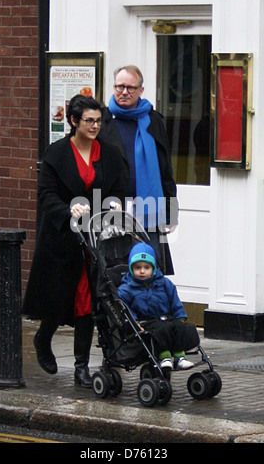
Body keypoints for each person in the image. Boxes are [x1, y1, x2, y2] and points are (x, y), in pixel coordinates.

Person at [22, 95, 127, 387]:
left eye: (98, 121)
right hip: (61, 239)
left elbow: (119, 188)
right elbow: (46, 195)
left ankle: (82, 366)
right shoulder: (56, 154)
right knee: (57, 300)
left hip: (95, 239)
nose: (95, 126)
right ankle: (44, 338)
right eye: (89, 121)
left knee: (86, 301)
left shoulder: (109, 153)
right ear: (73, 122)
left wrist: (115, 204)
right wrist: (68, 209)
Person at [98, 65, 178, 275]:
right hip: (112, 207)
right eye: (120, 86)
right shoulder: (102, 121)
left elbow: (164, 167)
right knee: (116, 269)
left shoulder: (154, 120)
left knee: (150, 266)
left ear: (141, 91)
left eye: (130, 88)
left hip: (149, 208)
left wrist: (171, 210)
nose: (124, 92)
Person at [118, 243, 194, 370]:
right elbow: (127, 309)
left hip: (165, 317)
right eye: (137, 268)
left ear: (153, 268)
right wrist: (134, 323)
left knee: (179, 326)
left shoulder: (164, 283)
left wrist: (180, 316)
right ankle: (165, 356)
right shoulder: (126, 289)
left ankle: (180, 356)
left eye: (146, 267)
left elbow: (174, 300)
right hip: (146, 321)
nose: (142, 271)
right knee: (160, 329)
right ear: (131, 269)